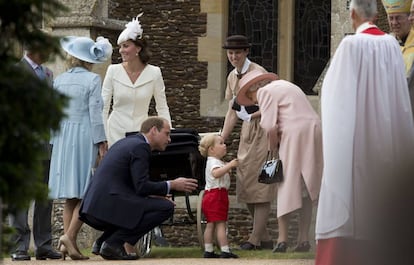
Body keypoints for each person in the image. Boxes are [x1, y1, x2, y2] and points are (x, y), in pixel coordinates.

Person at [314, 0, 414, 264]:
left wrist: (335, 147)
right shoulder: (393, 46)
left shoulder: (349, 46)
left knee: (353, 201)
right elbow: (401, 103)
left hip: (355, 144)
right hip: (386, 140)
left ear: (353, 13)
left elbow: (335, 101)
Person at [79, 117, 198, 260]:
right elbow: (141, 186)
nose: (169, 139)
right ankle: (113, 242)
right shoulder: (141, 147)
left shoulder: (128, 142)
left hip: (96, 205)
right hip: (107, 206)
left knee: (153, 203)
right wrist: (172, 184)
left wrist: (153, 195)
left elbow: (131, 185)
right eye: (167, 134)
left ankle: (104, 240)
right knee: (165, 207)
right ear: (154, 130)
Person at [236, 70, 323, 253]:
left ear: (254, 88)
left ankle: (282, 240)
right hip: (314, 130)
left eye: (250, 97)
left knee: (286, 184)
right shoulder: (287, 85)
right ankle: (303, 240)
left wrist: (272, 150)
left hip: (293, 134)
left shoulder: (264, 92)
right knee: (306, 186)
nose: (254, 101)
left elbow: (269, 125)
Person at [48, 36, 112, 260]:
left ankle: (68, 243)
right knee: (88, 191)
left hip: (63, 136)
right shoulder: (93, 79)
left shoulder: (59, 79)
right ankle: (69, 237)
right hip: (84, 135)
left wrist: (54, 140)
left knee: (70, 195)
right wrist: (101, 141)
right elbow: (95, 113)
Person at [220, 35, 277, 251]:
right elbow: (232, 111)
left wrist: (251, 117)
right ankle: (265, 237)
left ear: (246, 52)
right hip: (247, 134)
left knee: (263, 184)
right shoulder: (232, 77)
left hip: (265, 129)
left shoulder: (259, 74)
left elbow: (272, 106)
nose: (233, 56)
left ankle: (254, 239)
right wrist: (222, 138)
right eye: (230, 53)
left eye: (237, 52)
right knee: (245, 185)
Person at [9, 42, 62, 261]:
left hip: (46, 143)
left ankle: (43, 244)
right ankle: (19, 246)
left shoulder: (48, 73)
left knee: (44, 197)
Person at [102, 13, 172, 147]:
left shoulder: (154, 72)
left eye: (126, 46)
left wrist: (168, 133)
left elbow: (162, 107)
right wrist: (103, 138)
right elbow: (103, 107)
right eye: (120, 46)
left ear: (138, 48)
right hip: (114, 133)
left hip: (141, 134)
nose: (121, 50)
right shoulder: (113, 70)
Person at [198, 133, 239, 259]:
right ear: (211, 149)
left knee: (211, 224)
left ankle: (208, 249)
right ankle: (225, 250)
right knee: (221, 224)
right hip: (217, 195)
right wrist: (229, 166)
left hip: (212, 195)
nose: (224, 145)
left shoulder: (215, 161)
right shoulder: (214, 162)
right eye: (221, 143)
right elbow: (216, 174)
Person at [382, 0, 414, 76]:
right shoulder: (386, 44)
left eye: (398, 18)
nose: (394, 23)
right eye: (391, 18)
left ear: (409, 18)